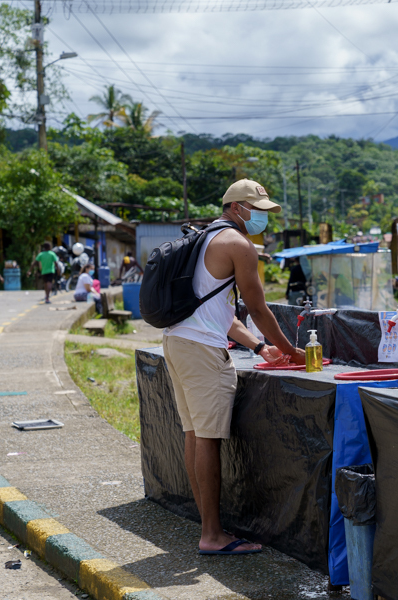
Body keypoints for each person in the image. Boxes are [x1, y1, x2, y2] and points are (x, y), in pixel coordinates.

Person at [163, 179, 305, 556]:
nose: (263, 219)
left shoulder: (204, 239)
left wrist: (259, 346)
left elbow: (219, 313)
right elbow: (258, 308)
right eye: (259, 211)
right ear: (238, 207)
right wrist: (292, 352)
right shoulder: (239, 245)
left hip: (178, 341)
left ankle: (207, 526)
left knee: (194, 434)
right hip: (201, 351)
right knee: (206, 438)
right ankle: (212, 535)